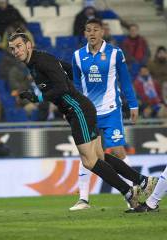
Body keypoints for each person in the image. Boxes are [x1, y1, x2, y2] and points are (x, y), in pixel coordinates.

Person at [8, 28, 157, 210]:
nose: (16, 51)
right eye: (13, 48)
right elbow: (70, 71)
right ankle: (142, 181)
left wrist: (39, 97)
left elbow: (61, 87)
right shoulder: (37, 61)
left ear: (29, 45)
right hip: (80, 108)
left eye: (19, 46)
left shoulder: (41, 61)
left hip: (78, 111)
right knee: (99, 157)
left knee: (89, 161)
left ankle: (128, 192)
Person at [70, 18, 150, 211]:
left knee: (117, 151)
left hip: (111, 110)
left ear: (102, 32)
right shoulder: (78, 56)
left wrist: (133, 104)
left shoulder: (115, 53)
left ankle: (133, 192)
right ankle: (83, 199)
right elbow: (76, 85)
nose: (92, 33)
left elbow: (125, 80)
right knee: (87, 154)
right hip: (89, 114)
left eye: (95, 30)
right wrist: (76, 108)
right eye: (88, 30)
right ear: (85, 33)